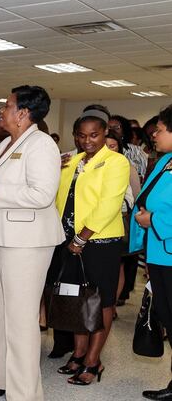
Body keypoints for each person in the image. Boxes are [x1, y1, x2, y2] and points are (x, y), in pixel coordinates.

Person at [0, 85, 65, 399]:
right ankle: (4, 379)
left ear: (24, 113)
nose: (2, 110)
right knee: (0, 314)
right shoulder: (8, 143)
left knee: (21, 319)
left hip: (26, 242)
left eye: (8, 105)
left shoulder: (41, 145)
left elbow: (42, 196)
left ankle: (25, 393)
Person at [52, 108, 129, 385]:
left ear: (105, 133)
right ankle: (79, 352)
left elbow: (108, 205)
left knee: (101, 303)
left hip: (98, 242)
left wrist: (81, 238)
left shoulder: (116, 162)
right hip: (68, 241)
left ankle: (94, 361)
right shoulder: (72, 161)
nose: (88, 141)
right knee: (76, 300)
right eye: (82, 136)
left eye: (94, 135)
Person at [131, 105, 172, 400]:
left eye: (159, 129)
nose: (154, 135)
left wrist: (153, 220)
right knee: (168, 320)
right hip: (159, 254)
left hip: (168, 252)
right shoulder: (165, 160)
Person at [105, 133, 141, 309]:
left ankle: (111, 306)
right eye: (106, 145)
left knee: (117, 267)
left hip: (117, 222)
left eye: (113, 146)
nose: (109, 149)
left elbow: (134, 197)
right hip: (94, 228)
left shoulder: (125, 166)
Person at [110, 114, 148, 180]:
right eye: (108, 127)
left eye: (116, 127)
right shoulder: (100, 150)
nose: (112, 130)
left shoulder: (136, 150)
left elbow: (145, 171)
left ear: (124, 130)